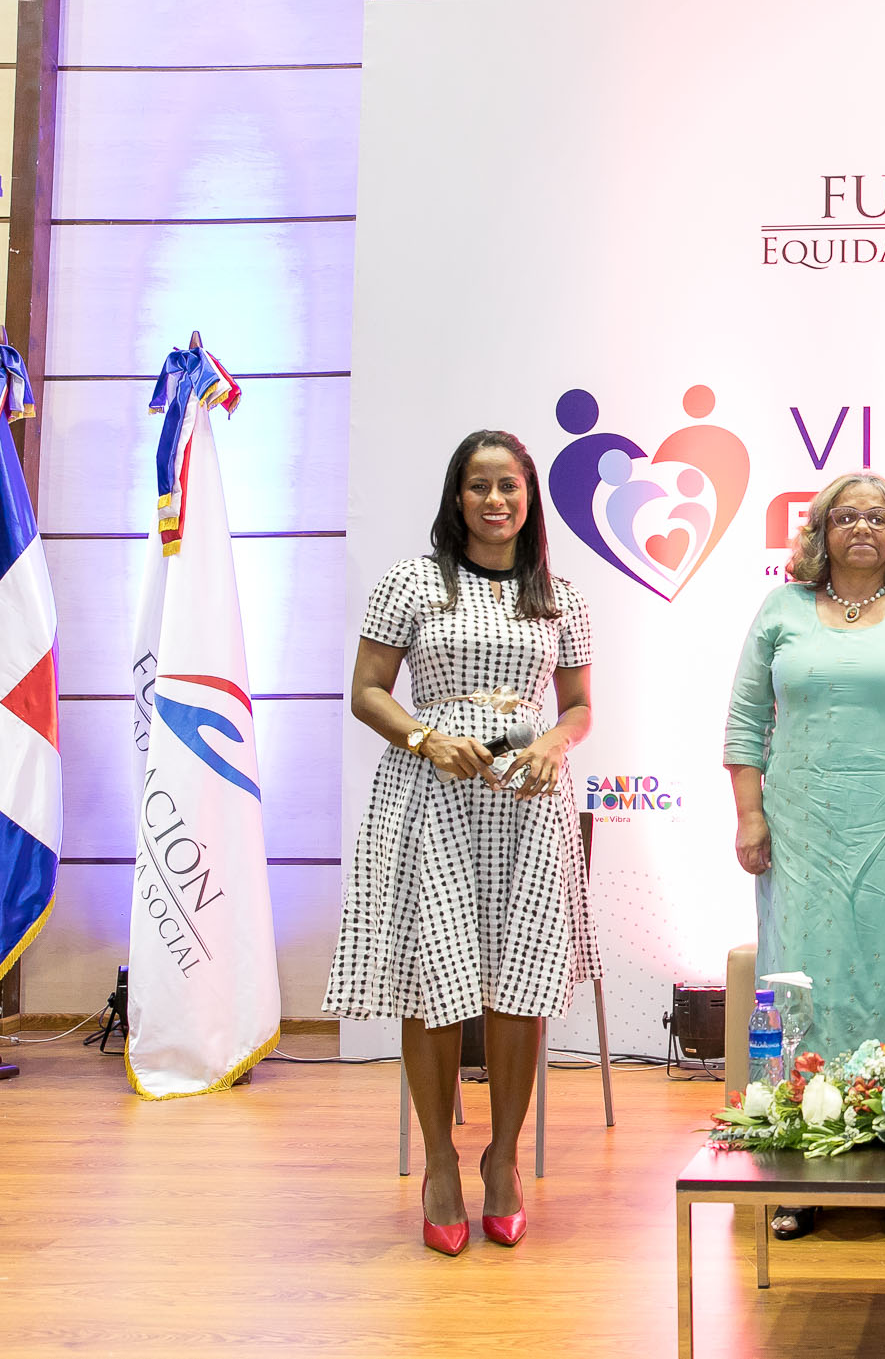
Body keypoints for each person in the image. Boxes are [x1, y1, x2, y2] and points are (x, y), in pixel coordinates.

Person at [325, 430, 597, 1257]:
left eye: (509, 485)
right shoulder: (411, 582)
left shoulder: (560, 595)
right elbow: (367, 691)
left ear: (529, 497)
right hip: (431, 796)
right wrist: (424, 737)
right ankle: (440, 1161)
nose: (494, 500)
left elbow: (579, 705)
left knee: (520, 984)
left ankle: (503, 1159)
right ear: (456, 497)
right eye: (479, 485)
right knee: (434, 980)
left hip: (527, 803)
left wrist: (555, 743)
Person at [723, 472, 885, 1243]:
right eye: (846, 516)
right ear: (821, 530)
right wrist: (749, 813)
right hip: (802, 827)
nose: (862, 528)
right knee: (802, 983)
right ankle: (800, 1169)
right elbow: (744, 720)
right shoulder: (780, 608)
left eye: (878, 517)